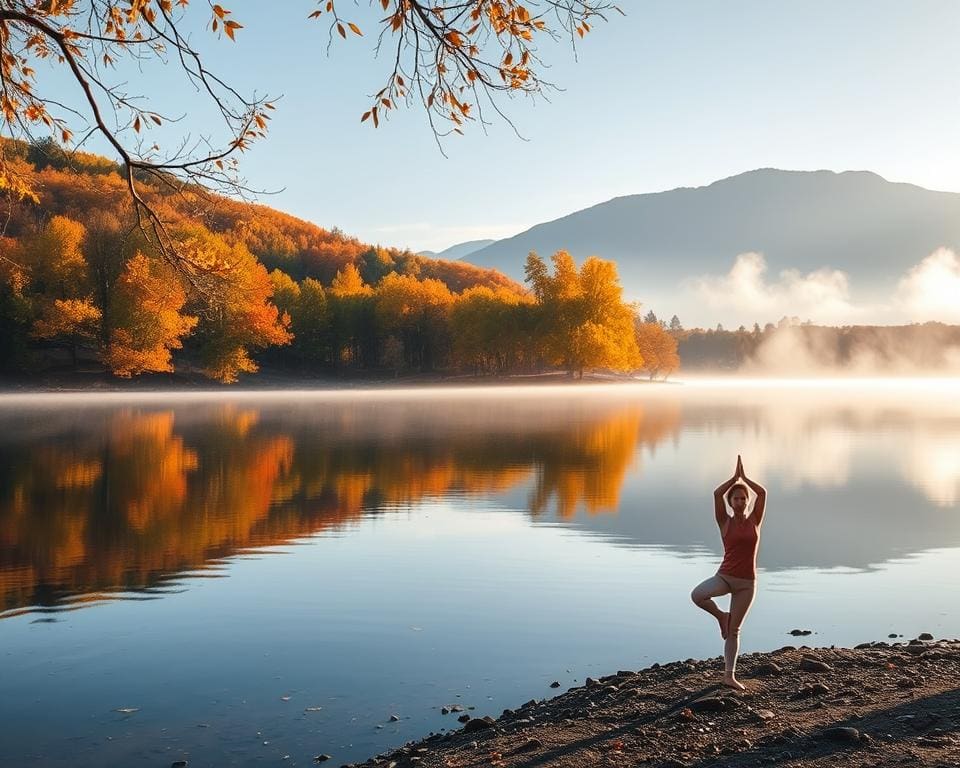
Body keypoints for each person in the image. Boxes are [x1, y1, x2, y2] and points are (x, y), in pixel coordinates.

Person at [690, 455, 766, 690]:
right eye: (736, 498)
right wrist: (734, 478)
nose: (741, 501)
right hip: (724, 577)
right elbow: (716, 494)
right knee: (698, 595)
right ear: (731, 502)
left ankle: (729, 676)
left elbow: (762, 493)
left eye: (744, 498)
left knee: (734, 631)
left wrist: (746, 479)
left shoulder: (755, 519)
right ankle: (721, 616)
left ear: (747, 500)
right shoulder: (724, 521)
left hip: (746, 584)